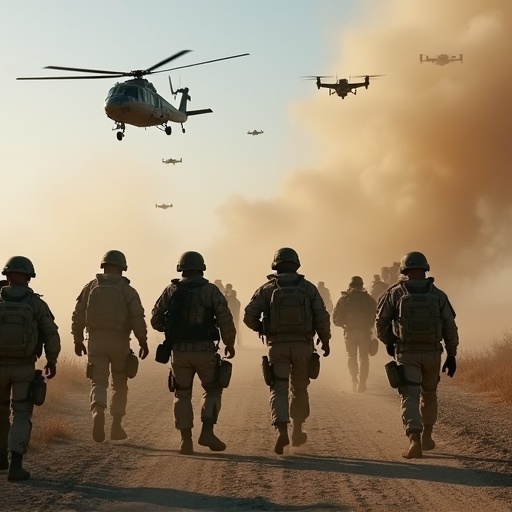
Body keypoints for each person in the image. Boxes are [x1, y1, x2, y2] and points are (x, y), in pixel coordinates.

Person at [243, 248, 331, 455]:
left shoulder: (266, 289)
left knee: (278, 389)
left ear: (275, 265)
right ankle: (298, 430)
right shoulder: (308, 288)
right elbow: (321, 315)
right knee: (299, 389)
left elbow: (249, 316)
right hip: (303, 345)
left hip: (277, 346)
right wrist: (325, 340)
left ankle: (281, 430)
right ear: (296, 264)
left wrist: (265, 329)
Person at [151, 251, 236, 455]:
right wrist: (229, 343)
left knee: (182, 394)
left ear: (181, 268)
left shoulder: (171, 290)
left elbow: (155, 319)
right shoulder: (210, 290)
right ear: (201, 268)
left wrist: (171, 330)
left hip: (179, 351)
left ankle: (185, 441)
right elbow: (225, 318)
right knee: (213, 389)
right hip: (205, 350)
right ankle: (207, 432)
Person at [375, 251, 458, 459]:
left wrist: (389, 341)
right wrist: (451, 355)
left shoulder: (394, 293)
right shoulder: (438, 294)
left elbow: (380, 322)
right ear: (425, 268)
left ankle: (415, 440)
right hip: (433, 352)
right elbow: (450, 326)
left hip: (408, 353)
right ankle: (428, 435)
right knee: (429, 394)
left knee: (409, 395)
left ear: (404, 270)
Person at [71, 250, 149, 443]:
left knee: (98, 382)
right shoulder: (128, 290)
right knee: (120, 384)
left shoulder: (91, 287)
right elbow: (137, 317)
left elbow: (78, 314)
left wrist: (78, 340)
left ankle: (98, 411)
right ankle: (116, 426)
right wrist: (142, 340)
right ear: (122, 268)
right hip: (120, 342)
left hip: (96, 341)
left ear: (103, 265)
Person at [0, 256, 60, 481]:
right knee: (21, 413)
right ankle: (15, 466)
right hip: (23, 367)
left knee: (0, 411)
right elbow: (51, 334)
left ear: (6, 275)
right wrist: (52, 361)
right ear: (28, 276)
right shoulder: (35, 303)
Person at [332, 276, 377, 393]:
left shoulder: (344, 299)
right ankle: (362, 383)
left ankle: (353, 380)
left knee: (351, 357)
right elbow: (376, 313)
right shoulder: (368, 298)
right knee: (364, 358)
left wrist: (342, 325)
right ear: (361, 286)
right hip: (364, 332)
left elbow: (335, 317)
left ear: (350, 286)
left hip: (350, 332)